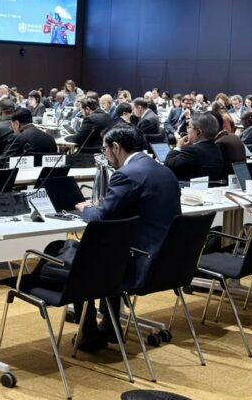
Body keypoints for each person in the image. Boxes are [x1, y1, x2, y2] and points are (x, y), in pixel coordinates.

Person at [69, 125, 181, 351]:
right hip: (168, 262)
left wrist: (85, 208)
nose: (105, 155)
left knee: (80, 257)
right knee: (108, 252)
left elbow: (101, 218)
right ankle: (110, 326)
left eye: (105, 150)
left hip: (140, 264)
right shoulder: (165, 171)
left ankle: (89, 335)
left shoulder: (127, 174)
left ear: (116, 147)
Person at [165, 113, 226, 182]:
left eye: (189, 127)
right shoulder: (216, 148)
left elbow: (168, 165)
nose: (187, 130)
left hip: (187, 187)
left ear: (198, 132)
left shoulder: (193, 151)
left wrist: (178, 147)